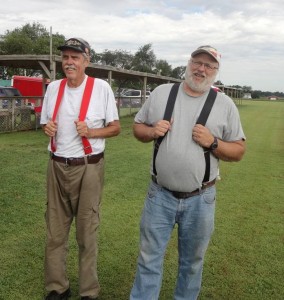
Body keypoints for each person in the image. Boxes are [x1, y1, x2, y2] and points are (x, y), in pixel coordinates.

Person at [130, 45, 246, 300]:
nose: (201, 69)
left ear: (215, 71)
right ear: (189, 63)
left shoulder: (224, 104)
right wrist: (151, 132)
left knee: (192, 264)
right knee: (149, 259)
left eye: (208, 65)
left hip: (201, 199)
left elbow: (238, 150)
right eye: (197, 62)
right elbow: (138, 127)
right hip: (159, 195)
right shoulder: (161, 94)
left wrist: (213, 142)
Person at [40, 37, 120, 300]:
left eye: (75, 57)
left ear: (87, 60)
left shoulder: (101, 88)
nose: (69, 62)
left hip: (89, 168)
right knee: (55, 233)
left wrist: (92, 131)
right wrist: (47, 128)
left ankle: (88, 291)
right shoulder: (53, 89)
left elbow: (115, 128)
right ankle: (57, 287)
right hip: (57, 165)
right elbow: (45, 124)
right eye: (65, 57)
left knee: (86, 234)